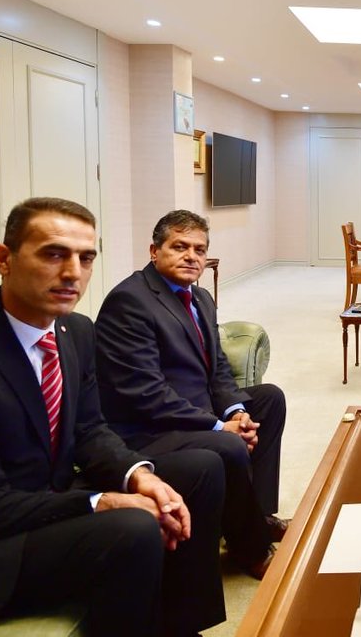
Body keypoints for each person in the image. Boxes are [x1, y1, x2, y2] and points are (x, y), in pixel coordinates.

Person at [0, 197, 225, 636]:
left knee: (198, 468)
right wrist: (99, 502)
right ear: (4, 259)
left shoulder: (75, 331)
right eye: (53, 254)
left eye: (85, 258)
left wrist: (138, 475)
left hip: (43, 496)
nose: (73, 273)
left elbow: (89, 430)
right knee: (133, 528)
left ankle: (182, 625)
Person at [95, 210, 288, 580]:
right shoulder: (130, 302)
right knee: (230, 446)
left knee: (268, 400)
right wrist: (218, 427)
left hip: (194, 407)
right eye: (179, 247)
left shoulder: (199, 296)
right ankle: (251, 547)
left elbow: (216, 365)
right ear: (154, 251)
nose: (191, 256)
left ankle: (256, 515)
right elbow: (147, 393)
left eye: (199, 249)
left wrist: (235, 412)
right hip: (149, 428)